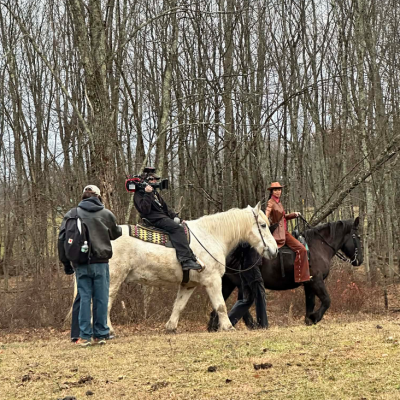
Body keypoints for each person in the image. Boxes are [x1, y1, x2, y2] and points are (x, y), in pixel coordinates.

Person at [58, 185, 122, 346]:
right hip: (101, 263)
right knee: (101, 298)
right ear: (99, 197)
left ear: (83, 196)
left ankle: (84, 336)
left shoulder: (72, 214)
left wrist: (66, 263)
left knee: (84, 297)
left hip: (80, 263)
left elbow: (61, 240)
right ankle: (101, 334)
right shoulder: (106, 214)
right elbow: (115, 233)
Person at [133, 169, 202, 271]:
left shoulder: (154, 193)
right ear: (146, 181)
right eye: (152, 179)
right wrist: (147, 194)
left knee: (182, 226)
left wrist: (177, 217)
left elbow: (165, 208)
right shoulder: (138, 194)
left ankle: (190, 256)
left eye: (156, 179)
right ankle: (185, 260)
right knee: (177, 229)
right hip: (154, 219)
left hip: (161, 217)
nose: (155, 181)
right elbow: (144, 210)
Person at [265, 182, 310, 283]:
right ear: (272, 191)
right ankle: (301, 277)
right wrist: (264, 220)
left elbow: (283, 217)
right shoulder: (271, 202)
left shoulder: (278, 202)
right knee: (301, 249)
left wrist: (294, 214)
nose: (278, 192)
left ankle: (302, 276)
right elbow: (266, 215)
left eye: (279, 189)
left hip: (284, 232)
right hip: (278, 234)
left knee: (302, 248)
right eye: (275, 190)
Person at [228, 243, 268, 328]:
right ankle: (263, 325)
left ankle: (228, 322)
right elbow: (245, 245)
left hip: (245, 266)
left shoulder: (244, 233)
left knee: (247, 299)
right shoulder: (249, 233)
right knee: (260, 294)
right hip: (251, 266)